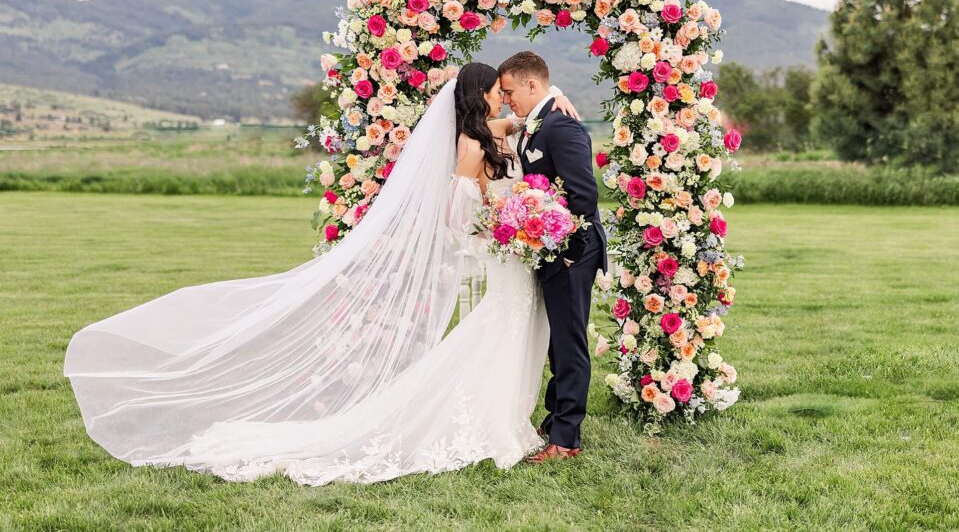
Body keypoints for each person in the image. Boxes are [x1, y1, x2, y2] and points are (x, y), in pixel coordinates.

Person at [63, 62, 585, 485]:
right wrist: (499, 221)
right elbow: (456, 213)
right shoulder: (469, 146)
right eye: (498, 91)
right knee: (493, 337)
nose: (505, 98)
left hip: (512, 256)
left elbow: (524, 119)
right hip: (497, 253)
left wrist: (555, 94)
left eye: (509, 91)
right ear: (479, 95)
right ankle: (487, 421)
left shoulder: (492, 132)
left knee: (509, 337)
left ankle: (511, 418)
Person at [498, 51, 607, 463]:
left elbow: (584, 196)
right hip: (549, 249)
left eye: (510, 92)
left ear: (532, 85)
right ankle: (556, 413)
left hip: (572, 252)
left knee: (569, 341)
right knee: (556, 343)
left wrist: (569, 256)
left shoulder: (562, 127)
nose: (508, 100)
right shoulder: (534, 123)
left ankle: (566, 439)